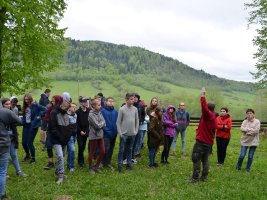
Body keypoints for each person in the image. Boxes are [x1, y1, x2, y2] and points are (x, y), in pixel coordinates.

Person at [188, 87, 216, 183]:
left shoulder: (208, 115)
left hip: (202, 142)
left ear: (208, 109)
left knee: (196, 158)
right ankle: (204, 177)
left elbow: (204, 107)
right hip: (208, 142)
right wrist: (199, 129)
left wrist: (203, 95)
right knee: (205, 159)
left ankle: (195, 178)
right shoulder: (213, 117)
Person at [49, 92, 73, 184]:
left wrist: (67, 136)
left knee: (62, 156)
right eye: (67, 102)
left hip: (64, 140)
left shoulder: (66, 113)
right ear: (62, 102)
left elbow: (69, 126)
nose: (68, 104)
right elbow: (53, 128)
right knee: (60, 156)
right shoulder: (54, 113)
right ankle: (61, 176)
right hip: (56, 139)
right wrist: (61, 138)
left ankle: (57, 171)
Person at [1, 99, 28, 178]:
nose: (8, 106)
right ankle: (4, 173)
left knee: (14, 155)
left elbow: (19, 122)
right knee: (4, 158)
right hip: (3, 140)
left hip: (12, 139)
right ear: (2, 105)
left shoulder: (11, 113)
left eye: (9, 104)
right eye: (6, 104)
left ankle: (18, 171)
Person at [0, 103, 22, 199]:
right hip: (3, 143)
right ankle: (2, 195)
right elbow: (20, 121)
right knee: (2, 171)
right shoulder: (5, 111)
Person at [21, 94, 47, 163]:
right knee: (23, 143)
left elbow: (45, 109)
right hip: (26, 126)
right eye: (25, 100)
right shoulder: (25, 106)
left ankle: (33, 159)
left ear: (31, 99)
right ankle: (27, 154)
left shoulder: (36, 105)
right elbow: (24, 116)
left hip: (33, 126)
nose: (27, 101)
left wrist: (39, 116)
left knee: (29, 143)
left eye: (28, 99)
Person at [117, 93, 139, 173]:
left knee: (130, 149)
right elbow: (118, 122)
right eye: (131, 99)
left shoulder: (135, 109)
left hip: (132, 134)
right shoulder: (122, 109)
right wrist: (120, 133)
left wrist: (136, 131)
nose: (133, 100)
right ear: (126, 100)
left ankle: (129, 164)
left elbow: (137, 121)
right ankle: (120, 164)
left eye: (133, 99)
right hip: (124, 134)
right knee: (121, 150)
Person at [43, 95, 63, 170]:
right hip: (50, 130)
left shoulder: (61, 109)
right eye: (52, 101)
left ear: (58, 102)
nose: (52, 102)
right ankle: (51, 162)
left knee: (60, 149)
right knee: (48, 145)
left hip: (59, 131)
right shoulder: (50, 108)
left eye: (54, 101)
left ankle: (59, 163)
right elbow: (46, 118)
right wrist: (51, 120)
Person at [88, 99, 106, 174]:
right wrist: (101, 123)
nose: (100, 106)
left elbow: (105, 123)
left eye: (100, 104)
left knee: (102, 151)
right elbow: (97, 125)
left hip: (100, 135)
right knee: (92, 152)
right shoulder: (91, 114)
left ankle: (96, 166)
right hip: (94, 136)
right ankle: (90, 167)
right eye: (98, 105)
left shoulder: (100, 113)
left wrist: (101, 123)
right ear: (93, 106)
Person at [101, 97, 118, 168]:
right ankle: (102, 161)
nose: (111, 102)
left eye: (112, 101)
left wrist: (116, 131)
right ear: (106, 102)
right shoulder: (102, 111)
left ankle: (108, 162)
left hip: (114, 133)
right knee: (106, 148)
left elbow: (117, 122)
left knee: (111, 148)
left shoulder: (115, 112)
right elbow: (102, 123)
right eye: (109, 101)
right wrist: (108, 131)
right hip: (106, 134)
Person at [76, 96, 90, 168]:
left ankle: (81, 157)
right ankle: (80, 162)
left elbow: (89, 122)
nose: (85, 103)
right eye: (84, 101)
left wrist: (87, 131)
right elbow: (76, 123)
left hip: (86, 131)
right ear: (81, 103)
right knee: (80, 146)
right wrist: (80, 131)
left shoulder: (88, 111)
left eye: (86, 101)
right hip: (79, 132)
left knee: (84, 146)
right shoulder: (77, 112)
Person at [132, 93, 146, 160]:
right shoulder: (130, 105)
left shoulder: (141, 106)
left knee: (137, 140)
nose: (135, 98)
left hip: (138, 125)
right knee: (131, 139)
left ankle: (135, 153)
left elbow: (143, 114)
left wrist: (142, 120)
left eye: (136, 97)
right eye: (134, 97)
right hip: (130, 125)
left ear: (138, 99)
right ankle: (129, 154)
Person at [67, 103, 77, 173]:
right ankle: (72, 166)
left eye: (75, 107)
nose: (74, 108)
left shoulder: (76, 115)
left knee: (70, 150)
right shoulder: (66, 116)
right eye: (72, 107)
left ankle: (68, 164)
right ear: (69, 108)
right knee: (73, 150)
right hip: (68, 136)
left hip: (74, 135)